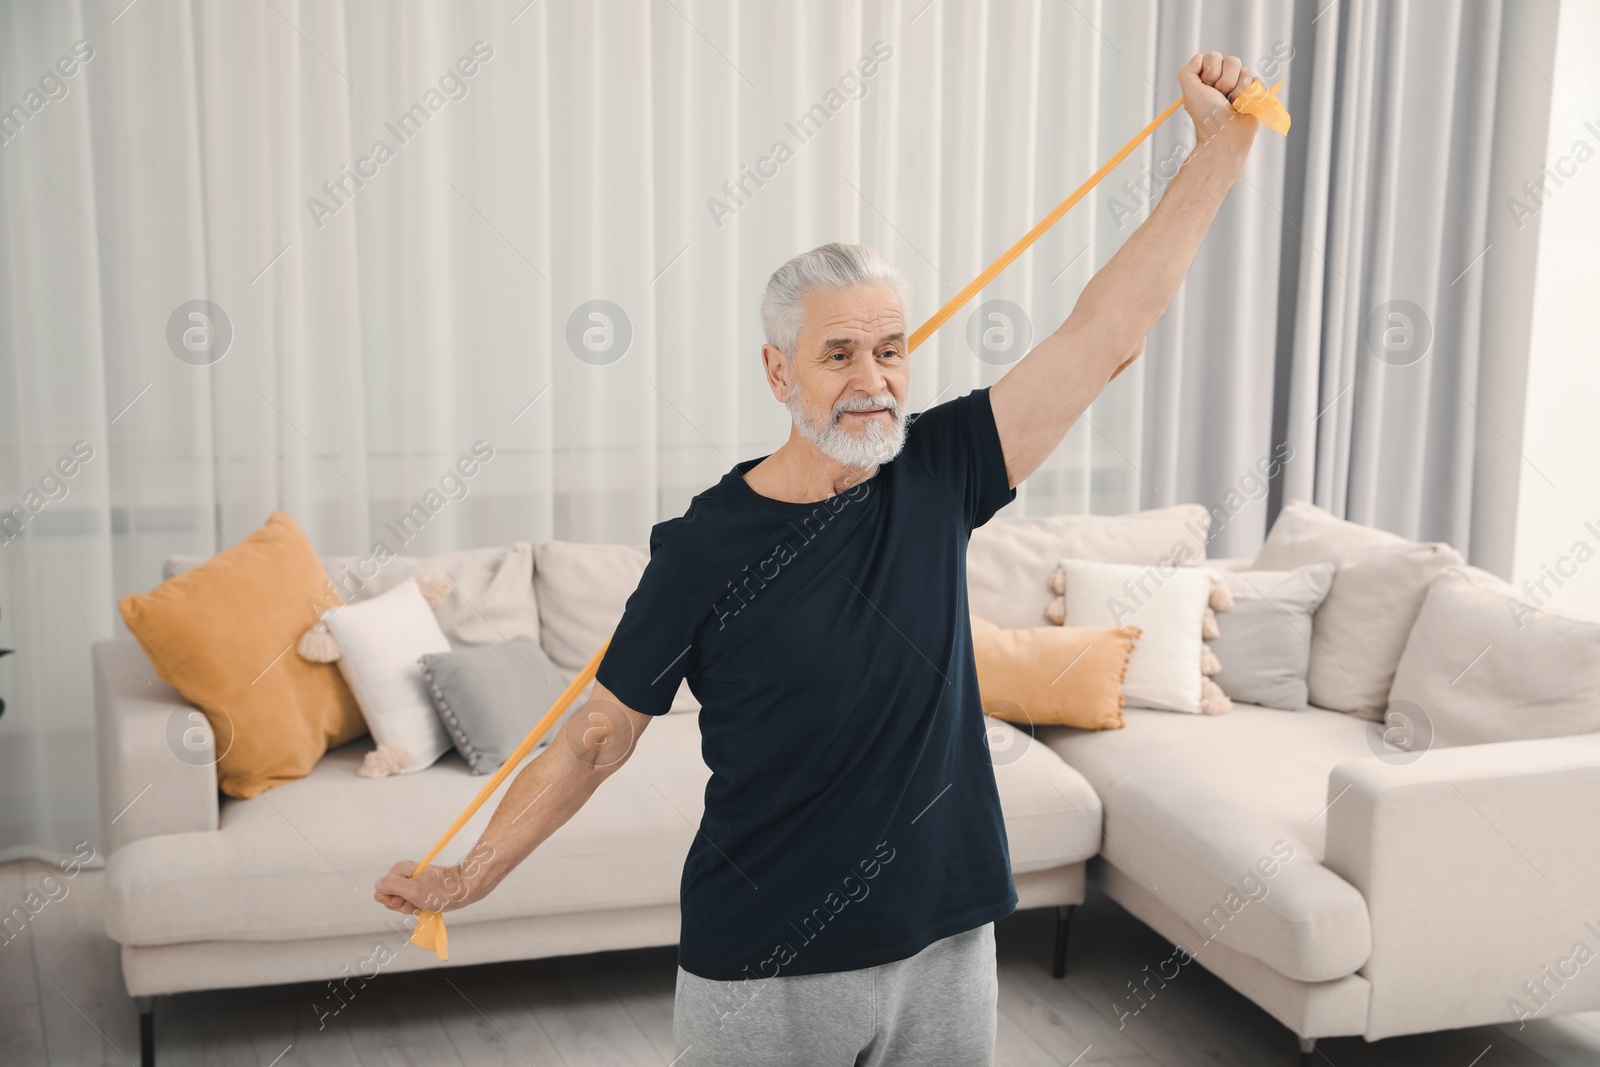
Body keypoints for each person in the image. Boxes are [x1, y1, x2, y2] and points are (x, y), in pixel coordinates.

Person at [376, 50, 1263, 1066]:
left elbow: (1108, 330)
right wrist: (475, 872)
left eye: (890, 349)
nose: (873, 379)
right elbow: (595, 737)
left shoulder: (940, 468)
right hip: (763, 965)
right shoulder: (705, 544)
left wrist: (1220, 146)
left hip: (946, 937)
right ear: (778, 368)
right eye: (839, 353)